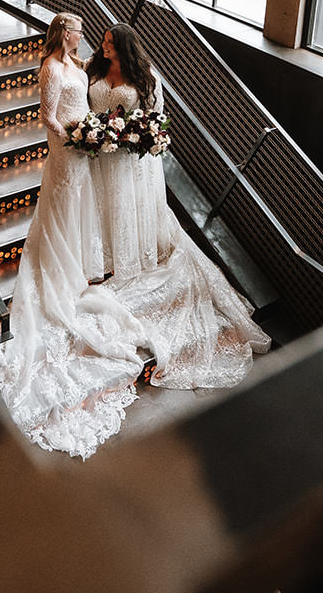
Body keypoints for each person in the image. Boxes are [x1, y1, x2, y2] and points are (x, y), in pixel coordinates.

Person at [0, 13, 148, 458]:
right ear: (64, 33)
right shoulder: (51, 68)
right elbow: (47, 116)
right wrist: (73, 138)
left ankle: (77, 258)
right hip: (66, 151)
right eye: (78, 32)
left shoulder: (77, 64)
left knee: (80, 207)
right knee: (61, 206)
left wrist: (91, 134)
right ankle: (58, 264)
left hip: (83, 147)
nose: (83, 37)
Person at [86, 23, 271, 390]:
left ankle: (129, 254)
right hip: (101, 157)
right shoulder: (94, 70)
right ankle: (101, 252)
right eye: (103, 41)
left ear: (125, 47)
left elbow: (155, 121)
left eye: (110, 43)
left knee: (127, 206)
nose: (104, 46)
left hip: (131, 162)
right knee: (103, 205)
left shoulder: (146, 78)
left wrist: (132, 135)